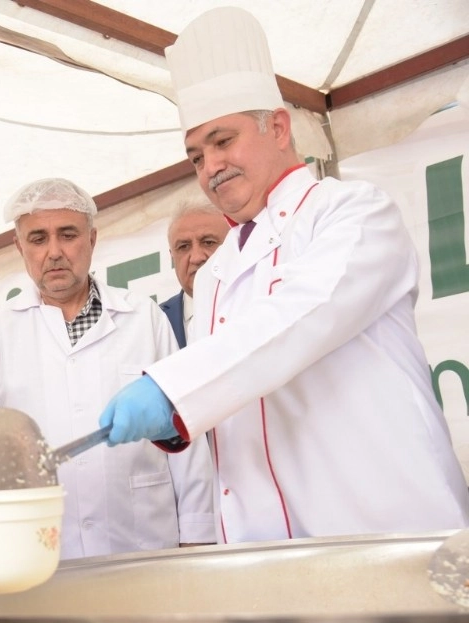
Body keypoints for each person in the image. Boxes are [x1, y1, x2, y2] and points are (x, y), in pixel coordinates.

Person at [98, 7, 469, 544]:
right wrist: (180, 424)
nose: (210, 166)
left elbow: (300, 316)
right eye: (196, 156)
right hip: (267, 550)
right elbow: (238, 395)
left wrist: (174, 390)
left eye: (223, 141)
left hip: (388, 527)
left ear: (277, 127)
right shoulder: (214, 273)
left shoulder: (354, 211)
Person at [0, 177, 214, 560]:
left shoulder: (143, 317)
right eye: (38, 238)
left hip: (144, 545)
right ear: (19, 246)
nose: (54, 252)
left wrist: (197, 536)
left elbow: (185, 436)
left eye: (68, 234)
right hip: (41, 553)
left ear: (92, 240)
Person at [158, 202, 229, 347]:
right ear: (172, 257)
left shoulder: (256, 302)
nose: (196, 257)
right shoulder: (155, 321)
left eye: (208, 242)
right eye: (183, 247)